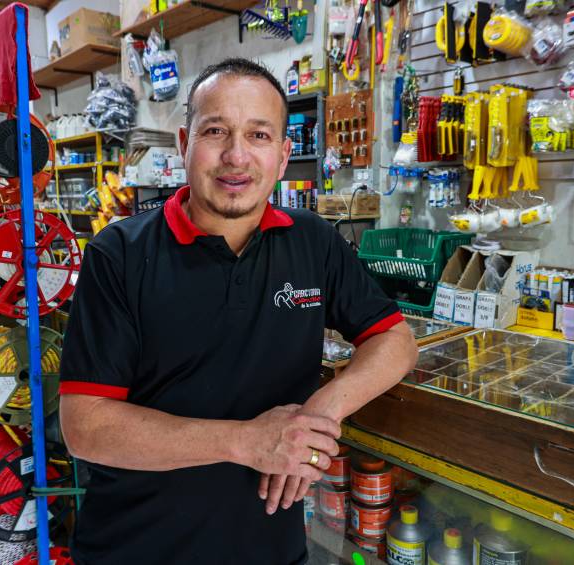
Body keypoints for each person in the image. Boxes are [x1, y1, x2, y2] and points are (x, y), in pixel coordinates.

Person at [59, 57, 418, 564]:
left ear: (284, 152)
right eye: (215, 131)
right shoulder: (118, 253)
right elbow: (85, 428)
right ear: (184, 145)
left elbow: (394, 341)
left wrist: (320, 412)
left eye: (259, 135)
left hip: (271, 549)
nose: (236, 156)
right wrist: (247, 441)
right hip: (136, 547)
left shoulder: (313, 241)